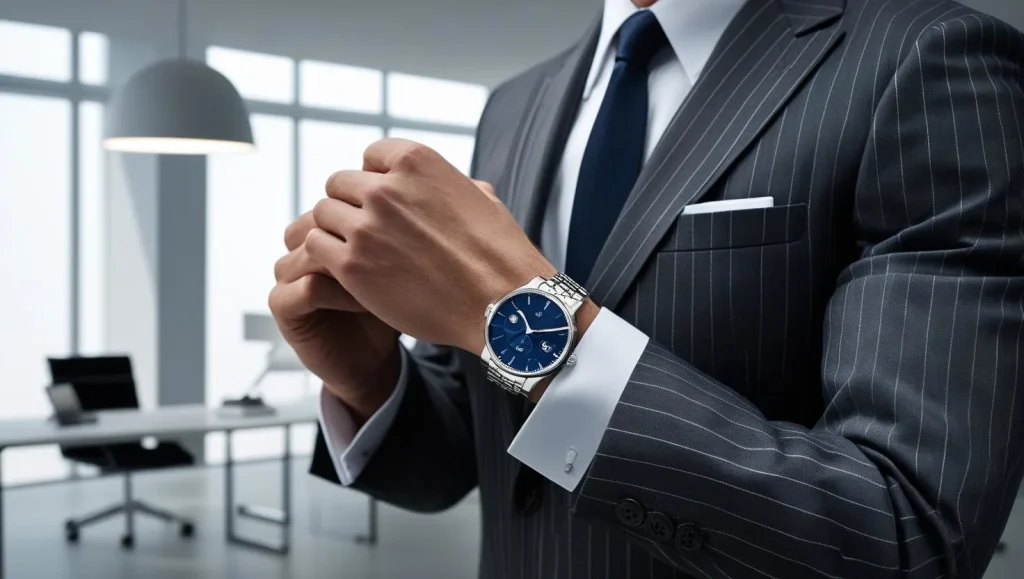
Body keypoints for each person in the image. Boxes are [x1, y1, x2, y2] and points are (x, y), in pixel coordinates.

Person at [269, 0, 1024, 577]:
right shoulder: (514, 105)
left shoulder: (927, 59)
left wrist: (521, 315)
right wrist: (370, 377)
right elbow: (486, 454)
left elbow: (907, 532)